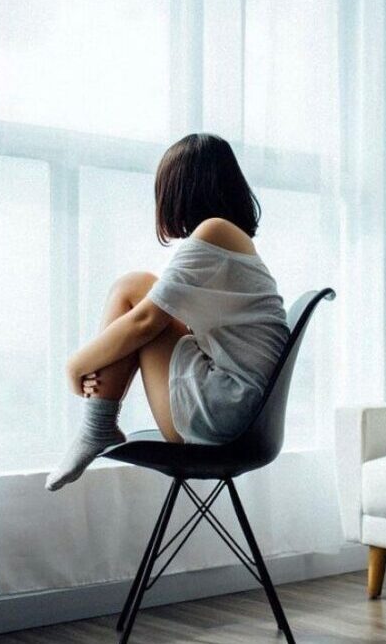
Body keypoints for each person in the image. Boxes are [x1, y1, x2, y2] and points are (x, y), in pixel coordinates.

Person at [46, 133, 290, 491]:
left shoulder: (215, 231)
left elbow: (146, 321)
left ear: (181, 189)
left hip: (226, 415)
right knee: (138, 288)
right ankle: (97, 425)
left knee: (133, 291)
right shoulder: (231, 240)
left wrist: (75, 365)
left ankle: (96, 426)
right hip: (241, 413)